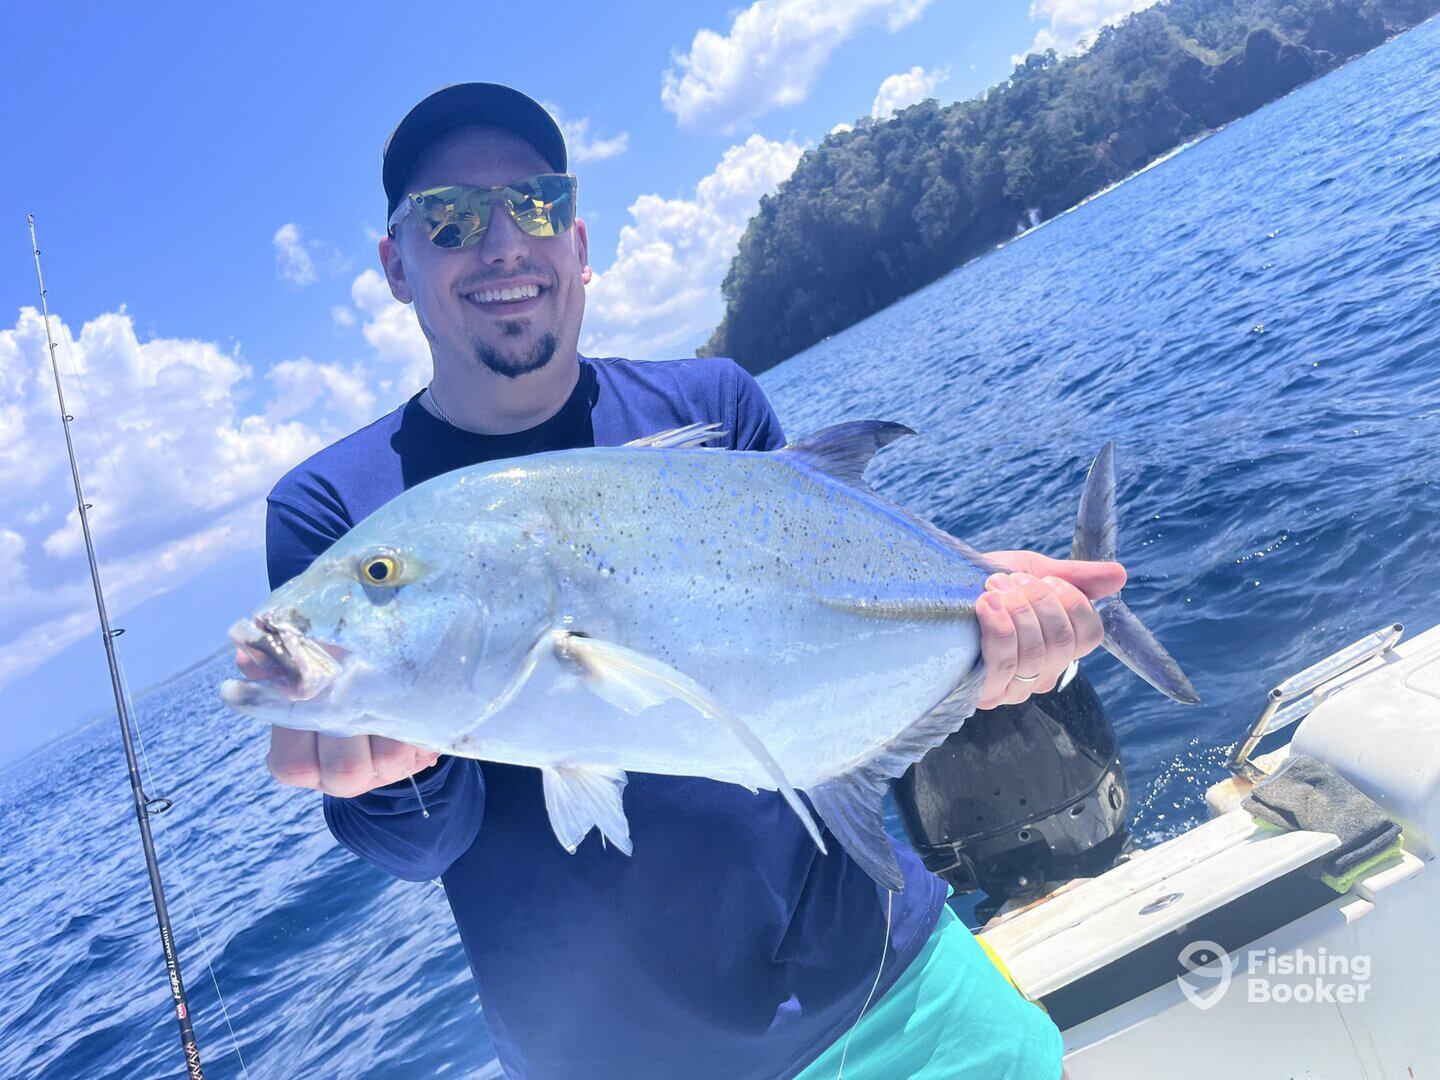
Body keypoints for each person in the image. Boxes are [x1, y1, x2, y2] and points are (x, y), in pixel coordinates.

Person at [242, 84, 1119, 1079]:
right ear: (397, 265)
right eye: (450, 217)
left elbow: (825, 663)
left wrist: (989, 645)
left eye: (534, 205)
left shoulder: (712, 403)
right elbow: (415, 846)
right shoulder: (335, 507)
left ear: (577, 242)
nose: (501, 243)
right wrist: (392, 762)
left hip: (891, 985)